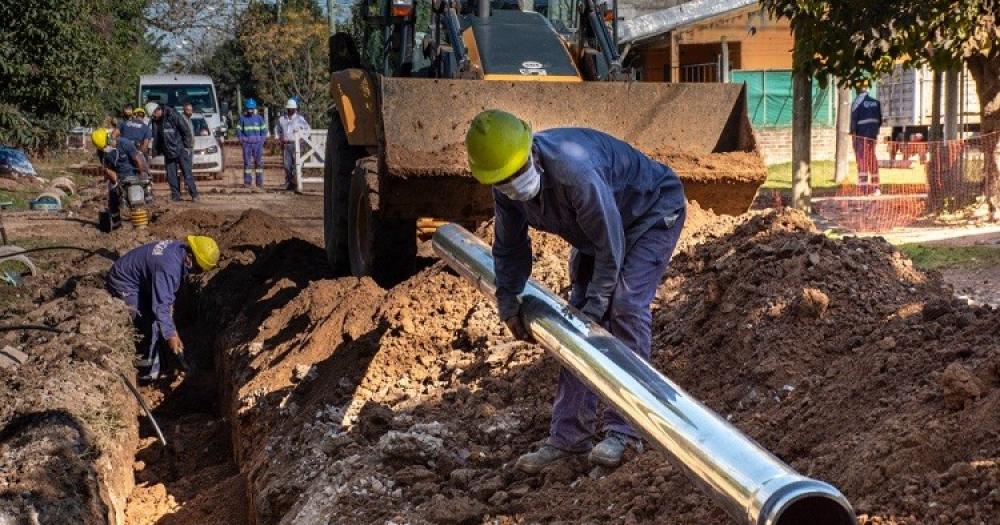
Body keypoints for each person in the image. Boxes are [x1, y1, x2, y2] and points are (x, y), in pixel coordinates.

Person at [465, 110, 687, 472]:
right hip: (599, 233)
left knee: (625, 305)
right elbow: (509, 247)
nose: (513, 184)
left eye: (518, 173)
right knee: (575, 321)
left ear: (531, 153)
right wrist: (508, 300)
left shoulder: (574, 172)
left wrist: (597, 307)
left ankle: (627, 431)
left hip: (651, 213)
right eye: (504, 180)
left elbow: (610, 245)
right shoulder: (507, 190)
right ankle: (569, 438)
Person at [106, 236, 219, 381]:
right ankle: (147, 374)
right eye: (197, 269)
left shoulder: (179, 251)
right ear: (190, 257)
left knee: (159, 322)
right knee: (145, 324)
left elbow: (165, 300)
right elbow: (161, 307)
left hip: (140, 278)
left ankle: (162, 361)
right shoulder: (168, 269)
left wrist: (170, 329)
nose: (196, 273)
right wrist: (171, 335)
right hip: (124, 281)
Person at [91, 127, 148, 218]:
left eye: (106, 145)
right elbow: (107, 169)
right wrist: (116, 182)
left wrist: (143, 174)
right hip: (118, 176)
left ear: (109, 138)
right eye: (103, 148)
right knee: (113, 196)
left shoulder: (124, 143)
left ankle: (144, 215)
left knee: (138, 197)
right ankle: (115, 220)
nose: (105, 148)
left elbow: (138, 159)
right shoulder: (102, 153)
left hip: (133, 174)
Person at [149, 101, 199, 201]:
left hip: (180, 149)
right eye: (152, 116)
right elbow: (157, 137)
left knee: (187, 173)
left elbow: (185, 131)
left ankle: (194, 194)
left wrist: (187, 147)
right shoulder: (155, 121)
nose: (154, 117)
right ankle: (176, 196)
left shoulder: (173, 115)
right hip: (168, 151)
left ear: (158, 110)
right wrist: (155, 151)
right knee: (171, 176)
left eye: (154, 114)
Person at [851, 86, 883, 196]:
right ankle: (876, 188)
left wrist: (853, 135)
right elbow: (879, 121)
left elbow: (853, 121)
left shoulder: (856, 103)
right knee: (872, 159)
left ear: (857, 90)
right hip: (872, 136)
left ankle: (863, 189)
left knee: (862, 161)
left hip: (861, 136)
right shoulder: (876, 103)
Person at [275, 98, 311, 191]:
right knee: (287, 165)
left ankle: (295, 183)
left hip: (297, 145)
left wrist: (302, 139)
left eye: (292, 108)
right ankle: (289, 182)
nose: (290, 110)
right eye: (289, 108)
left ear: (295, 109)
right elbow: (277, 130)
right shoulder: (282, 119)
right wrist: (279, 138)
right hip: (286, 145)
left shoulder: (300, 119)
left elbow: (308, 130)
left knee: (296, 164)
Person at [237, 98, 267, 190]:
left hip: (258, 144)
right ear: (246, 108)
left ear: (254, 109)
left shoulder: (259, 118)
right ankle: (247, 182)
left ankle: (259, 182)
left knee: (258, 163)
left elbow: (264, 131)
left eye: (251, 108)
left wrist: (261, 141)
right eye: (248, 108)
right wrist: (242, 141)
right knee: (247, 163)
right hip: (247, 145)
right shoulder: (242, 119)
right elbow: (238, 131)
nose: (250, 110)